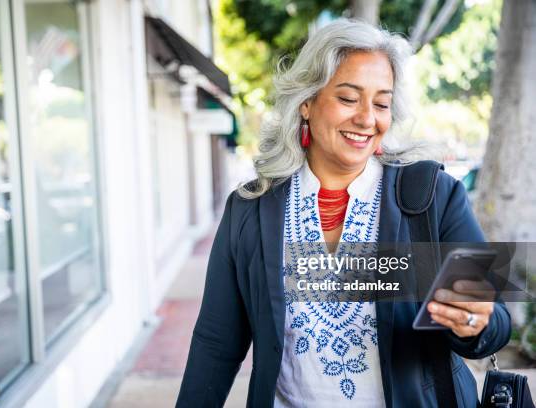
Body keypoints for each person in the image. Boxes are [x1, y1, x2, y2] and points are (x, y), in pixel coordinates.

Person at [176, 18, 511, 408]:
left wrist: (473, 322)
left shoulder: (435, 196)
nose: (367, 118)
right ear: (307, 102)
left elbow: (495, 319)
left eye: (381, 103)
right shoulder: (251, 208)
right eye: (349, 99)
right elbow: (217, 342)